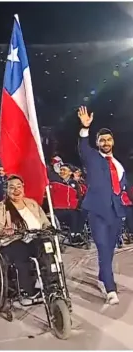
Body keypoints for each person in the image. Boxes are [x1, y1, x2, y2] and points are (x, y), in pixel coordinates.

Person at [77, 105, 128, 305]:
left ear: (113, 142)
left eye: (108, 139)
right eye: (102, 140)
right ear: (97, 143)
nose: (105, 143)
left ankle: (101, 277)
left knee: (110, 250)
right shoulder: (92, 158)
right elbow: (82, 147)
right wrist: (85, 129)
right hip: (97, 212)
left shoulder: (118, 164)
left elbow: (121, 189)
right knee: (103, 248)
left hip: (116, 213)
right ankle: (110, 288)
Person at [0, 175, 52, 300]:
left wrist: (48, 228)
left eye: (19, 187)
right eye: (12, 188)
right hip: (12, 240)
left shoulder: (32, 203)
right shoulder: (1, 207)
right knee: (21, 253)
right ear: (7, 191)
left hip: (35, 237)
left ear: (23, 188)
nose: (16, 190)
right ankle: (27, 289)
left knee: (49, 249)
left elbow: (45, 222)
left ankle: (49, 282)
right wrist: (3, 231)